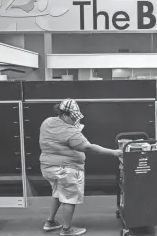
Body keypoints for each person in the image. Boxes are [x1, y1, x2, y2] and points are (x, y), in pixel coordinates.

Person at [39, 99, 122, 236]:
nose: (74, 120)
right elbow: (89, 147)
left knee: (57, 193)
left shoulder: (47, 122)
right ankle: (66, 230)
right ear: (65, 115)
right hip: (66, 170)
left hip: (48, 168)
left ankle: (50, 222)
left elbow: (57, 137)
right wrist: (114, 152)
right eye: (72, 117)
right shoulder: (71, 132)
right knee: (69, 198)